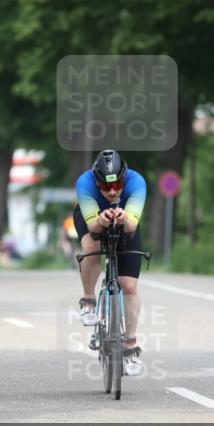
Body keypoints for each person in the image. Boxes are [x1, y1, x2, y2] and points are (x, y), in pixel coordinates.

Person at [74, 149, 147, 376]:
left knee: (129, 286)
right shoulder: (85, 182)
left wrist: (124, 219)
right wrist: (101, 221)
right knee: (92, 247)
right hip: (92, 218)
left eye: (117, 186)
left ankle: (130, 346)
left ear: (125, 178)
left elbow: (132, 226)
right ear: (96, 182)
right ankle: (88, 301)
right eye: (105, 187)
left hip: (125, 220)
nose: (113, 191)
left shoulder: (137, 182)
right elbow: (94, 227)